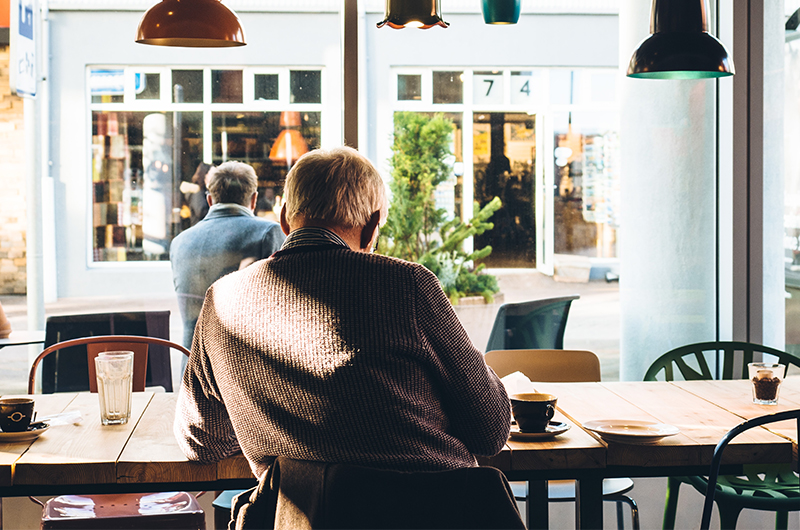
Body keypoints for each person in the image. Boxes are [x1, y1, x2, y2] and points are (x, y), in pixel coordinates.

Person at [174, 146, 510, 481]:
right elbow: (490, 430)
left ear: (285, 219)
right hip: (435, 513)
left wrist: (267, 421)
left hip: (300, 517)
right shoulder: (408, 286)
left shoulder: (222, 300)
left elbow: (201, 441)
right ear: (372, 226)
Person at [170, 160, 285, 351]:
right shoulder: (267, 233)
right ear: (254, 199)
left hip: (191, 370)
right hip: (243, 369)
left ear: (209, 200)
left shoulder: (180, 242)